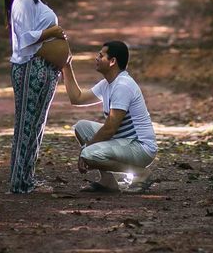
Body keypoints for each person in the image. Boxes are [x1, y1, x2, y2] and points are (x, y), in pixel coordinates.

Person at [4, 0, 71, 194]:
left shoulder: (34, 1)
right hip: (30, 68)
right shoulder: (21, 2)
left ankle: (27, 179)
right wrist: (52, 32)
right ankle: (19, 182)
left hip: (43, 69)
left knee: (37, 125)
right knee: (26, 124)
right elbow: (23, 39)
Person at [62, 40, 157, 192]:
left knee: (89, 154)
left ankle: (141, 173)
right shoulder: (108, 84)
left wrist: (85, 150)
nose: (97, 58)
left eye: (101, 55)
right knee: (81, 127)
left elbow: (110, 129)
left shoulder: (122, 86)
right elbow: (77, 98)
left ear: (112, 61)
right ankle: (107, 182)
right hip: (125, 141)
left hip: (141, 147)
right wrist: (66, 66)